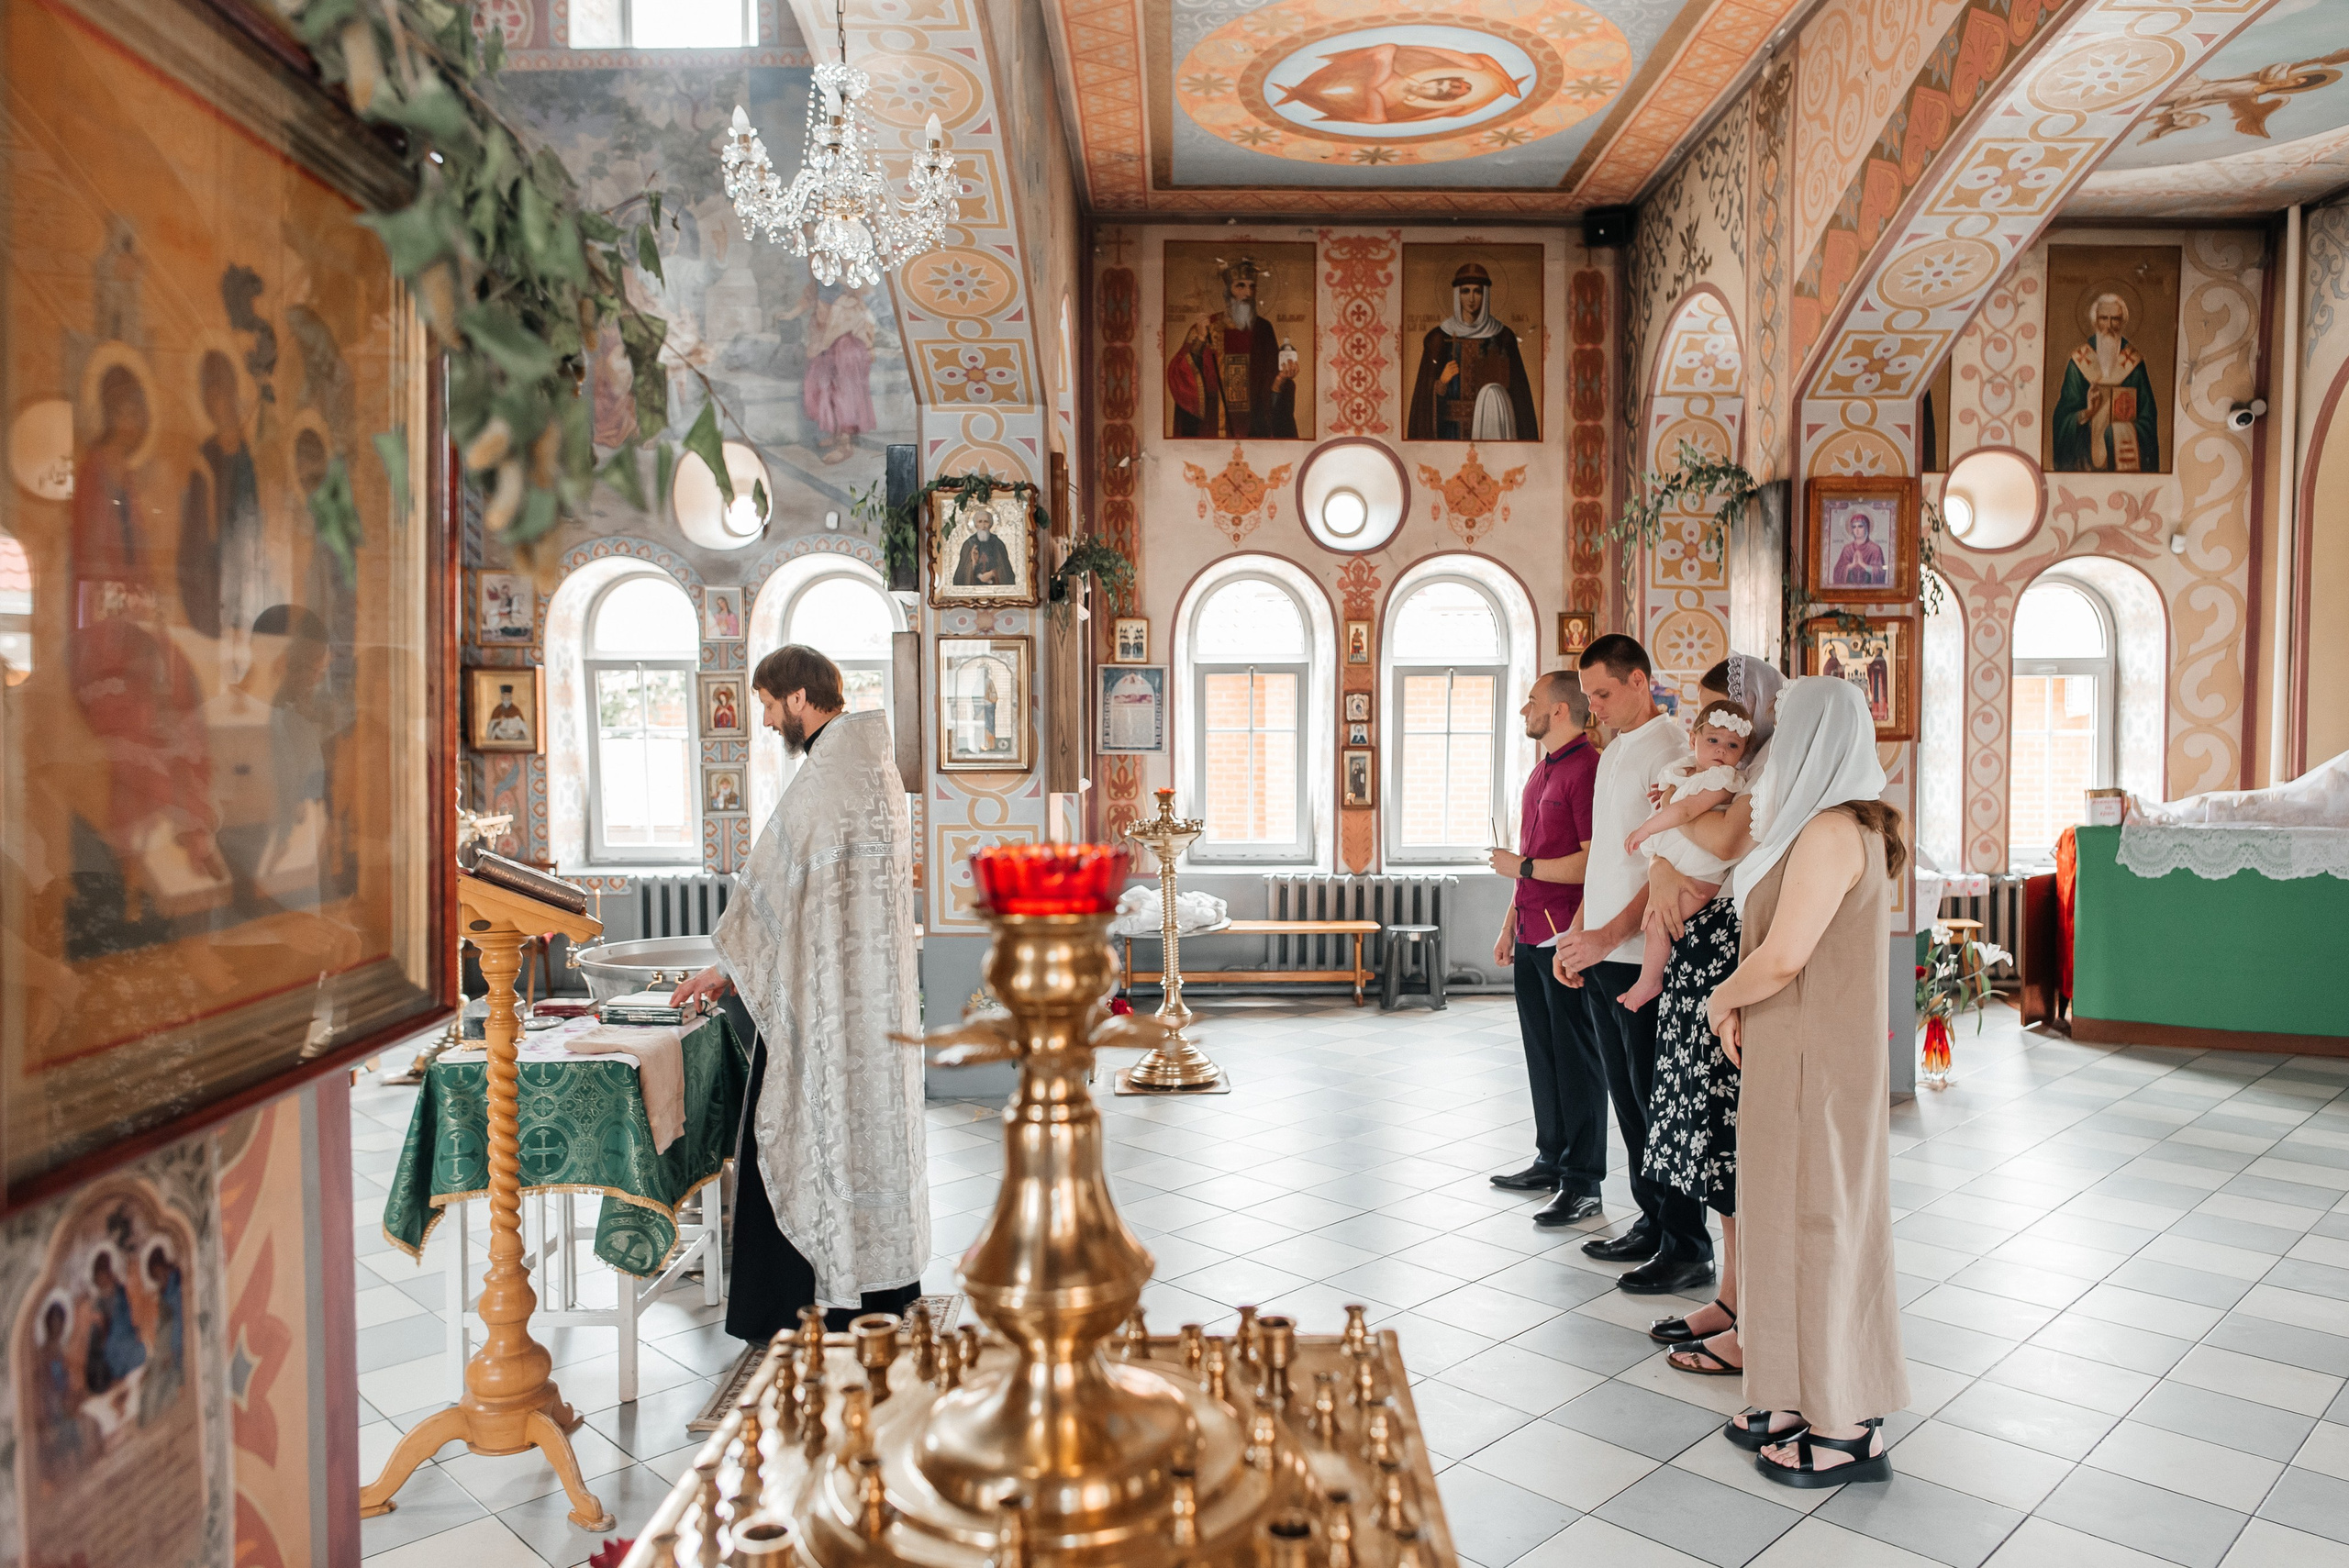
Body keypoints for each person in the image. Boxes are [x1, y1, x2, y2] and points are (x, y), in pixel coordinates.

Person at [671, 645, 928, 1338]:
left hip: (826, 1009)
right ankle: (883, 1294)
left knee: (785, 1127)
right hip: (871, 1004)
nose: (763, 718)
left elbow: (769, 894)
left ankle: (792, 1305)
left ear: (798, 697)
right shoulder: (873, 767)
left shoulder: (826, 778)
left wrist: (723, 967)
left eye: (766, 702)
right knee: (868, 1132)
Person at [1709, 677, 1908, 1485]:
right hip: (1789, 1054)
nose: (1770, 742)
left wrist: (1721, 999)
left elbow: (1786, 955)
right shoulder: (1817, 825)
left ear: (1819, 737)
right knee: (1782, 1222)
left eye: (1784, 729)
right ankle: (1791, 1390)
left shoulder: (1832, 829)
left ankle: (1848, 1424)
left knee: (1822, 1225)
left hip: (1816, 1063)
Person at [1549, 634, 1713, 1294]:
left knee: (1657, 1099)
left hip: (1642, 951)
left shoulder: (1673, 751)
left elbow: (1666, 867)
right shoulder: (1615, 749)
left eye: (1604, 694)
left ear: (1640, 681)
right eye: (1587, 696)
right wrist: (1579, 940)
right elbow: (1607, 863)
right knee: (1628, 1101)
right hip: (1603, 953)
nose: (1593, 707)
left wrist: (1609, 934)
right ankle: (1652, 1219)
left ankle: (1688, 1242)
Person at [1483, 670, 1606, 1228]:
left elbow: (1591, 860)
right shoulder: (1540, 772)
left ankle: (1583, 1183)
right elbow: (1528, 858)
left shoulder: (1587, 769)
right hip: (1531, 927)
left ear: (1559, 710)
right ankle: (1550, 1158)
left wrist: (1524, 868)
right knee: (1541, 1053)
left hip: (1566, 935)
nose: (1525, 709)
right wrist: (1509, 921)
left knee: (1577, 1060)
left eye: (1533, 701)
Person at [1617, 700, 1753, 1011]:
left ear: (1742, 752)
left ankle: (1649, 981)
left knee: (1658, 922)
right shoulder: (1683, 771)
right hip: (1676, 863)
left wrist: (1646, 829)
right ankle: (1652, 977)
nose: (1721, 750)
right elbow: (1673, 799)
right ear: (1693, 740)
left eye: (1732, 745)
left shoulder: (1723, 780)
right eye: (1713, 740)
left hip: (1700, 874)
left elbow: (1685, 809)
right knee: (1654, 919)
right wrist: (1667, 794)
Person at [1166, 257, 1298, 439]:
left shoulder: (1263, 329)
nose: (1248, 293)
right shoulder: (1207, 327)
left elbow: (1272, 387)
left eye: (1252, 286)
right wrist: (1200, 342)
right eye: (1240, 286)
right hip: (1212, 429)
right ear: (1227, 291)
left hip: (1254, 431)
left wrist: (1280, 381)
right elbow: (1179, 376)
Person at [1406, 262, 1539, 441]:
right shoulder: (1438, 338)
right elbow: (1423, 403)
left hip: (1491, 431)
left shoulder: (1503, 337)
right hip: (1451, 433)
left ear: (1486, 295)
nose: (1471, 299)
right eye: (1465, 291)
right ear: (1457, 295)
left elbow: (1519, 398)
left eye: (1477, 291)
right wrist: (1442, 383)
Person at [2051, 292, 2159, 473]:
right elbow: (2062, 419)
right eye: (2104, 318)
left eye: (2115, 319)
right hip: (2085, 461)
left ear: (2123, 322)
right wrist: (2087, 413)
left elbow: (2148, 419)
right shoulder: (2079, 363)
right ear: (2095, 321)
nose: (2109, 326)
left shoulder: (2134, 364)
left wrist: (2117, 433)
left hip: (2122, 461)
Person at [953, 511, 1018, 587]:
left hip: (995, 589)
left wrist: (993, 573)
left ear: (990, 524)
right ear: (975, 524)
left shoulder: (997, 543)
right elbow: (960, 576)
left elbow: (1006, 571)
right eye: (980, 522)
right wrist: (972, 564)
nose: (983, 525)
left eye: (986, 522)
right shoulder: (968, 544)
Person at [1830, 513, 1887, 587]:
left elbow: (1882, 570)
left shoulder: (1875, 549)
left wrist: (1863, 565)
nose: (1856, 530)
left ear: (1867, 527)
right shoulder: (1847, 549)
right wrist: (1851, 565)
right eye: (1854, 527)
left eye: (1860, 526)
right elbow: (1837, 570)